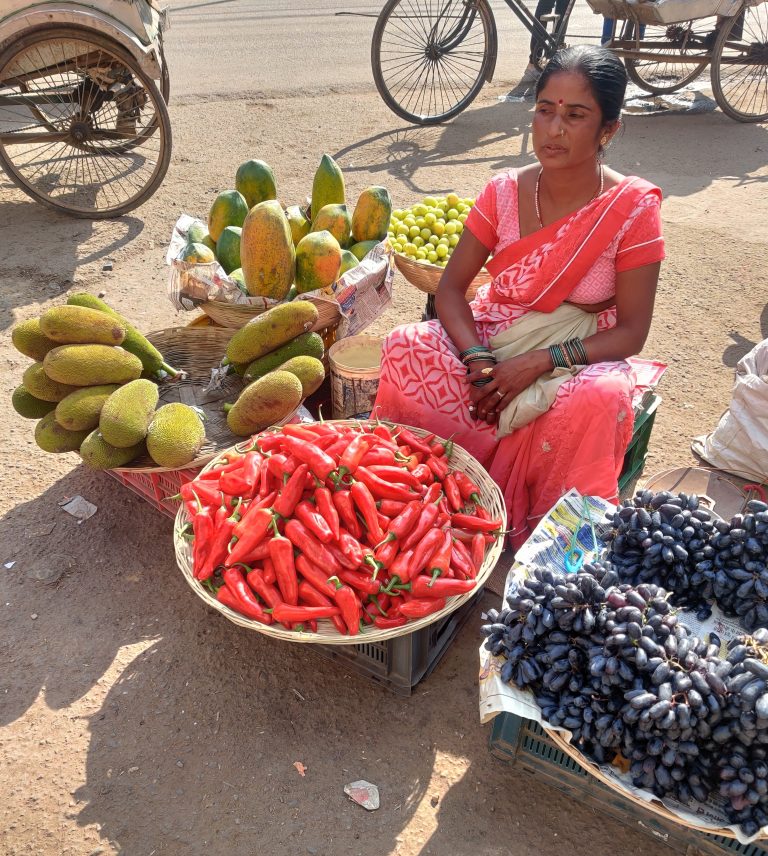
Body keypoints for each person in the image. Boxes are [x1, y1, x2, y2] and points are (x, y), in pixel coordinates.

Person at [374, 45, 664, 556]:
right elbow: (451, 291)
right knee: (406, 346)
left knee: (600, 400)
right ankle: (418, 492)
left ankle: (550, 537)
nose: (554, 129)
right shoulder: (503, 192)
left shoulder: (632, 209)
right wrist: (478, 360)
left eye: (575, 115)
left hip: (577, 351)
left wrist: (537, 363)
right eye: (545, 109)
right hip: (494, 335)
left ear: (608, 130)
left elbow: (632, 332)